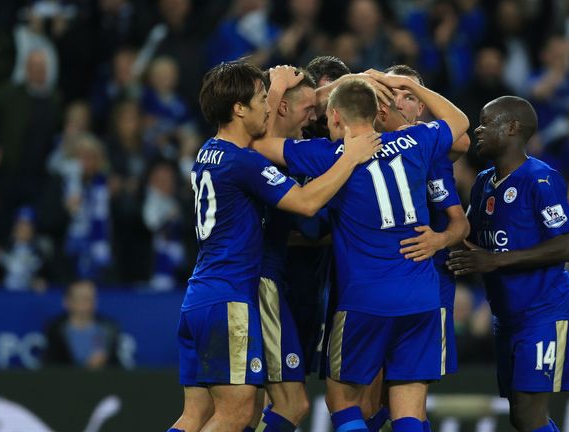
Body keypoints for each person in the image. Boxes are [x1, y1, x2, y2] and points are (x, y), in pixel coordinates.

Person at [167, 61, 381, 432]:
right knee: (236, 414)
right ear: (238, 108)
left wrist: (276, 88)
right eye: (263, 99)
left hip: (200, 295)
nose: (268, 107)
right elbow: (306, 203)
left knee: (194, 416)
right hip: (231, 298)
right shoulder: (243, 162)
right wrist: (349, 157)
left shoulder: (208, 152)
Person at [253, 72, 469, 432]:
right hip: (421, 295)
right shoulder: (415, 140)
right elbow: (460, 122)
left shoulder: (328, 154)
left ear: (335, 117)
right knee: (410, 411)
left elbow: (259, 145)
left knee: (343, 402)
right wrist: (412, 86)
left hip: (365, 299)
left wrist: (276, 91)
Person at [447, 96, 569, 432]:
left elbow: (565, 246)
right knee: (520, 415)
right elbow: (465, 235)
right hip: (507, 315)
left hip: (545, 310)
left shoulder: (541, 179)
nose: (477, 129)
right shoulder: (482, 182)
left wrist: (495, 260)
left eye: (485, 121)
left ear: (511, 128)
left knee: (530, 410)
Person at [250, 68, 317, 432]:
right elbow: (308, 214)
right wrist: (350, 159)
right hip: (262, 283)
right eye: (307, 107)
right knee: (291, 403)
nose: (315, 116)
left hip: (252, 282)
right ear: (281, 107)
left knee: (244, 409)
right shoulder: (254, 158)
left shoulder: (253, 156)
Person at [42, 280, 121, 369]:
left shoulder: (107, 329)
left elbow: (117, 367)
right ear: (67, 302)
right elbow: (49, 365)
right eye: (81, 298)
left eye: (91, 298)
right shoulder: (55, 330)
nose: (87, 303)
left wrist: (103, 363)